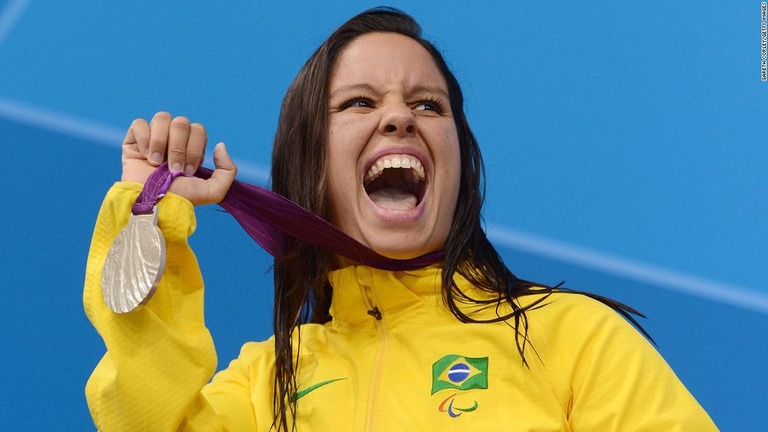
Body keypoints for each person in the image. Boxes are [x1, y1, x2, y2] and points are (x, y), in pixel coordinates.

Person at [84, 8, 718, 431]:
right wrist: (146, 216)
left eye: (428, 105)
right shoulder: (264, 384)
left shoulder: (574, 338)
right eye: (359, 102)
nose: (399, 118)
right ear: (311, 165)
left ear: (459, 168)